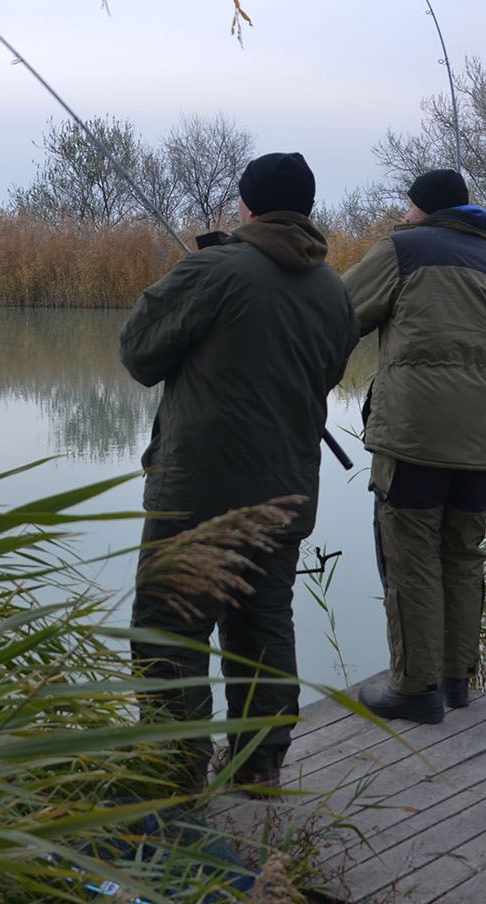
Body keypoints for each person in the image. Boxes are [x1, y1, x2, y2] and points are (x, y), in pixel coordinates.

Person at [119, 151, 357, 788]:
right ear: (306, 208)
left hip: (197, 491)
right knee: (262, 625)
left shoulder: (215, 268)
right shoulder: (335, 291)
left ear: (247, 206)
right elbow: (325, 373)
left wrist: (194, 270)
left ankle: (175, 771)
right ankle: (259, 769)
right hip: (285, 491)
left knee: (170, 626)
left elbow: (139, 352)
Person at [340, 168, 486, 724]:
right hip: (482, 441)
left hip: (416, 434)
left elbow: (339, 312)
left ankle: (415, 688)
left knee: (411, 556)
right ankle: (455, 681)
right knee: (464, 556)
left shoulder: (403, 249)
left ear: (417, 207)